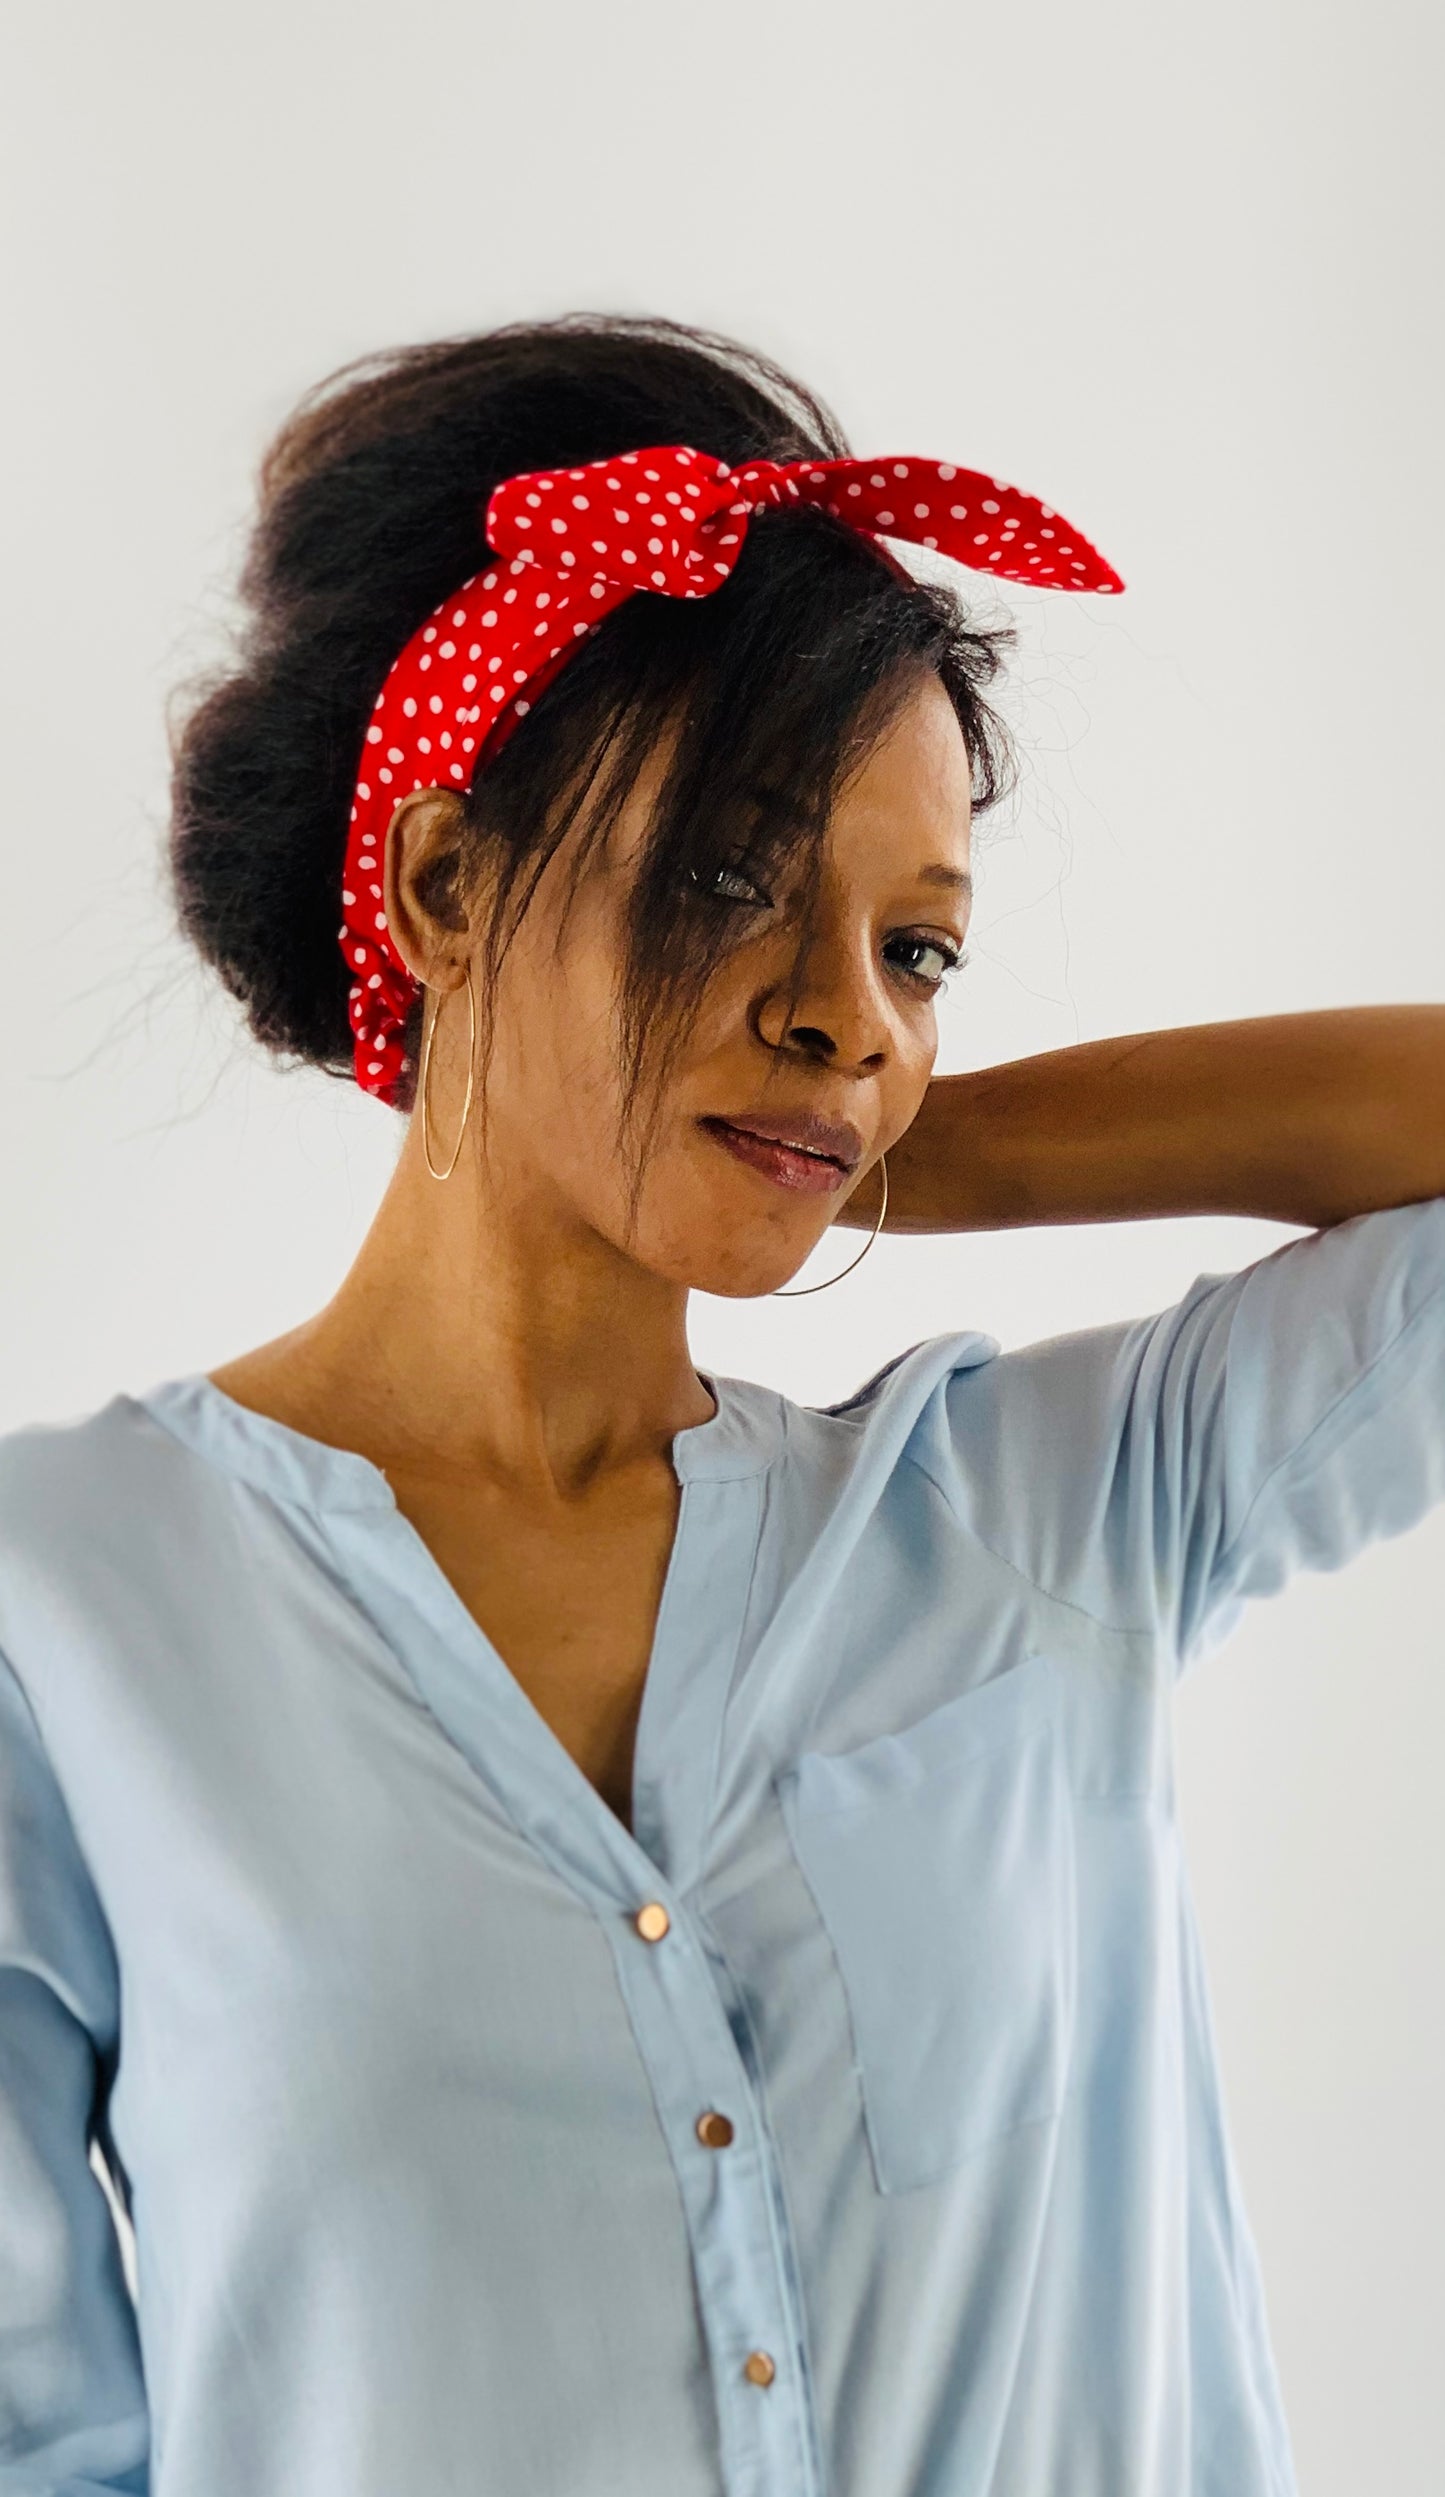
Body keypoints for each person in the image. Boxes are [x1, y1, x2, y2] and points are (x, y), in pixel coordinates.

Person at [0, 311, 1440, 2497]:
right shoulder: (66, 1613)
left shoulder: (1049, 1519)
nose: (849, 1011)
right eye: (731, 878)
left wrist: (874, 1140)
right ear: (445, 882)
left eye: (919, 951)